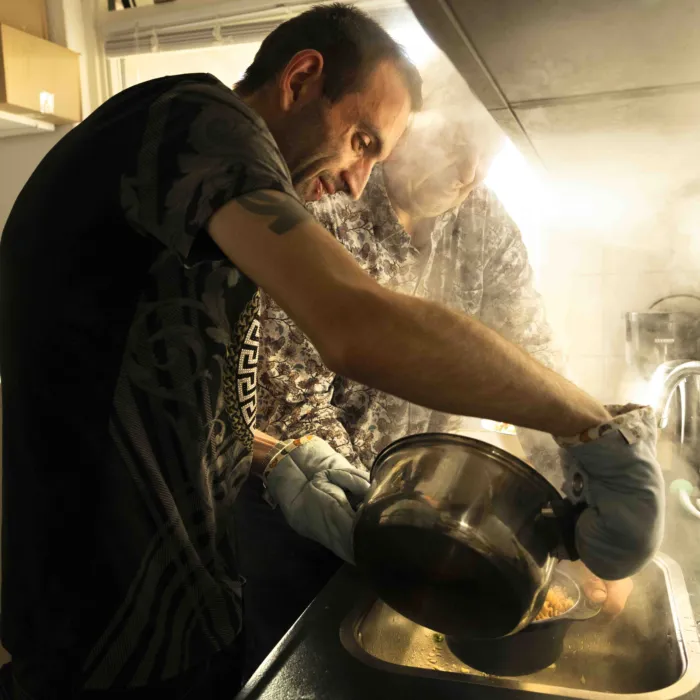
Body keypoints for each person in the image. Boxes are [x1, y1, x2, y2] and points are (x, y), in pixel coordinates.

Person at [0, 4, 661, 699]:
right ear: (302, 77)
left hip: (179, 600)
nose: (355, 179)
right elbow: (355, 326)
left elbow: (160, 393)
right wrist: (591, 423)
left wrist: (280, 457)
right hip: (107, 612)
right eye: (363, 141)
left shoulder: (206, 205)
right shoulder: (195, 119)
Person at [244, 95, 635, 673]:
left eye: (487, 155)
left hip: (423, 522)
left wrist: (574, 515)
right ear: (404, 131)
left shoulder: (483, 218)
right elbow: (292, 396)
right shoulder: (328, 204)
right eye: (457, 145)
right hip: (305, 509)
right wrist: (396, 520)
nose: (469, 171)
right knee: (312, 671)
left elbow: (531, 360)